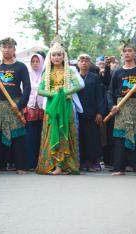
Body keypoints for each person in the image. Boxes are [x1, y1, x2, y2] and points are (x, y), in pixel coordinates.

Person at [0, 37, 31, 175]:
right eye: (4, 47)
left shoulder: (21, 67)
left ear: (14, 49)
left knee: (18, 134)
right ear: (1, 49)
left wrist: (21, 104)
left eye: (10, 47)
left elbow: (27, 87)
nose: (7, 50)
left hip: (14, 104)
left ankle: (21, 166)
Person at [35, 36, 82, 175]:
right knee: (52, 134)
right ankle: (55, 165)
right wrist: (55, 94)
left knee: (64, 132)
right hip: (52, 107)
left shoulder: (69, 71)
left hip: (66, 105)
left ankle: (64, 166)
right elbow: (40, 90)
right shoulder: (47, 72)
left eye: (59, 55)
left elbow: (78, 85)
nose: (56, 57)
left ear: (64, 56)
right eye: (53, 55)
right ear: (50, 57)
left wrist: (64, 92)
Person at [107, 43, 136, 177]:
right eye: (125, 51)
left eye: (130, 51)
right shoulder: (117, 72)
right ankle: (119, 167)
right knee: (120, 137)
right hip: (120, 106)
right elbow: (110, 91)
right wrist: (112, 106)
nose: (127, 53)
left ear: (135, 53)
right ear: (122, 54)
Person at [77, 54, 105, 172]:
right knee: (80, 138)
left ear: (90, 63)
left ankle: (94, 162)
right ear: (78, 63)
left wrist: (100, 112)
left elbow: (100, 96)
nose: (84, 63)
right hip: (77, 113)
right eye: (81, 60)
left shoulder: (94, 77)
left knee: (92, 139)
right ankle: (82, 162)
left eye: (87, 61)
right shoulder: (73, 77)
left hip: (92, 113)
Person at [25, 53, 45, 170]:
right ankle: (31, 163)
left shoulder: (45, 74)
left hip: (43, 109)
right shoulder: (27, 74)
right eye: (33, 61)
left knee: (42, 137)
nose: (35, 64)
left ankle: (41, 163)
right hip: (30, 109)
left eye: (37, 61)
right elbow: (23, 90)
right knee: (30, 137)